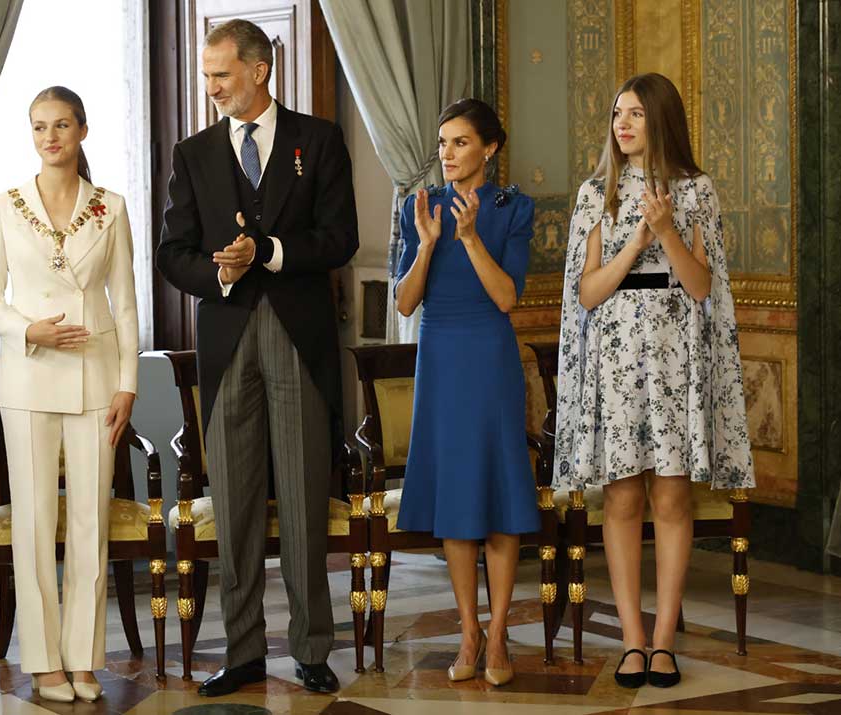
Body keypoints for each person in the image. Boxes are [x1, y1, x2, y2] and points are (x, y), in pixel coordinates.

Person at [156, 18, 358, 697]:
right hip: (225, 339)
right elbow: (171, 253)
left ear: (259, 71)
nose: (210, 87)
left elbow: (340, 238)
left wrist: (267, 252)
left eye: (221, 74)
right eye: (206, 75)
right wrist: (222, 269)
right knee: (235, 503)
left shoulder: (318, 141)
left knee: (302, 496)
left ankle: (310, 647)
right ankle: (241, 649)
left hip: (299, 335)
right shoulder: (194, 153)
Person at [553, 73, 754, 689]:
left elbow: (702, 288)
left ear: (660, 118)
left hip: (674, 360)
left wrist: (665, 230)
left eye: (636, 113)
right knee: (621, 498)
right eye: (618, 113)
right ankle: (632, 643)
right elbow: (585, 294)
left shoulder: (697, 190)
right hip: (614, 361)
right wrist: (635, 240)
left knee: (670, 497)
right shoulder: (595, 193)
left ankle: (664, 642)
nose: (623, 123)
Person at [0, 86, 139, 704]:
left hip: (97, 378)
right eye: (40, 126)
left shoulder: (112, 207)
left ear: (83, 131)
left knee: (92, 520)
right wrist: (27, 329)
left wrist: (129, 383)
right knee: (36, 520)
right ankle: (44, 661)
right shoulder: (6, 205)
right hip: (29, 374)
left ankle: (84, 658)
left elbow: (124, 302)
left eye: (62, 125)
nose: (50, 136)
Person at [393, 98, 540, 686]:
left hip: (489, 356)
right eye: (442, 143)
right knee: (458, 499)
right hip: (441, 356)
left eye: (459, 142)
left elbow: (507, 297)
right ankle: (469, 631)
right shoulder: (418, 206)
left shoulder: (513, 209)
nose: (447, 154)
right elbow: (405, 302)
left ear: (490, 148)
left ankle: (500, 634)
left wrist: (471, 236)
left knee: (498, 496)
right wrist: (428, 242)